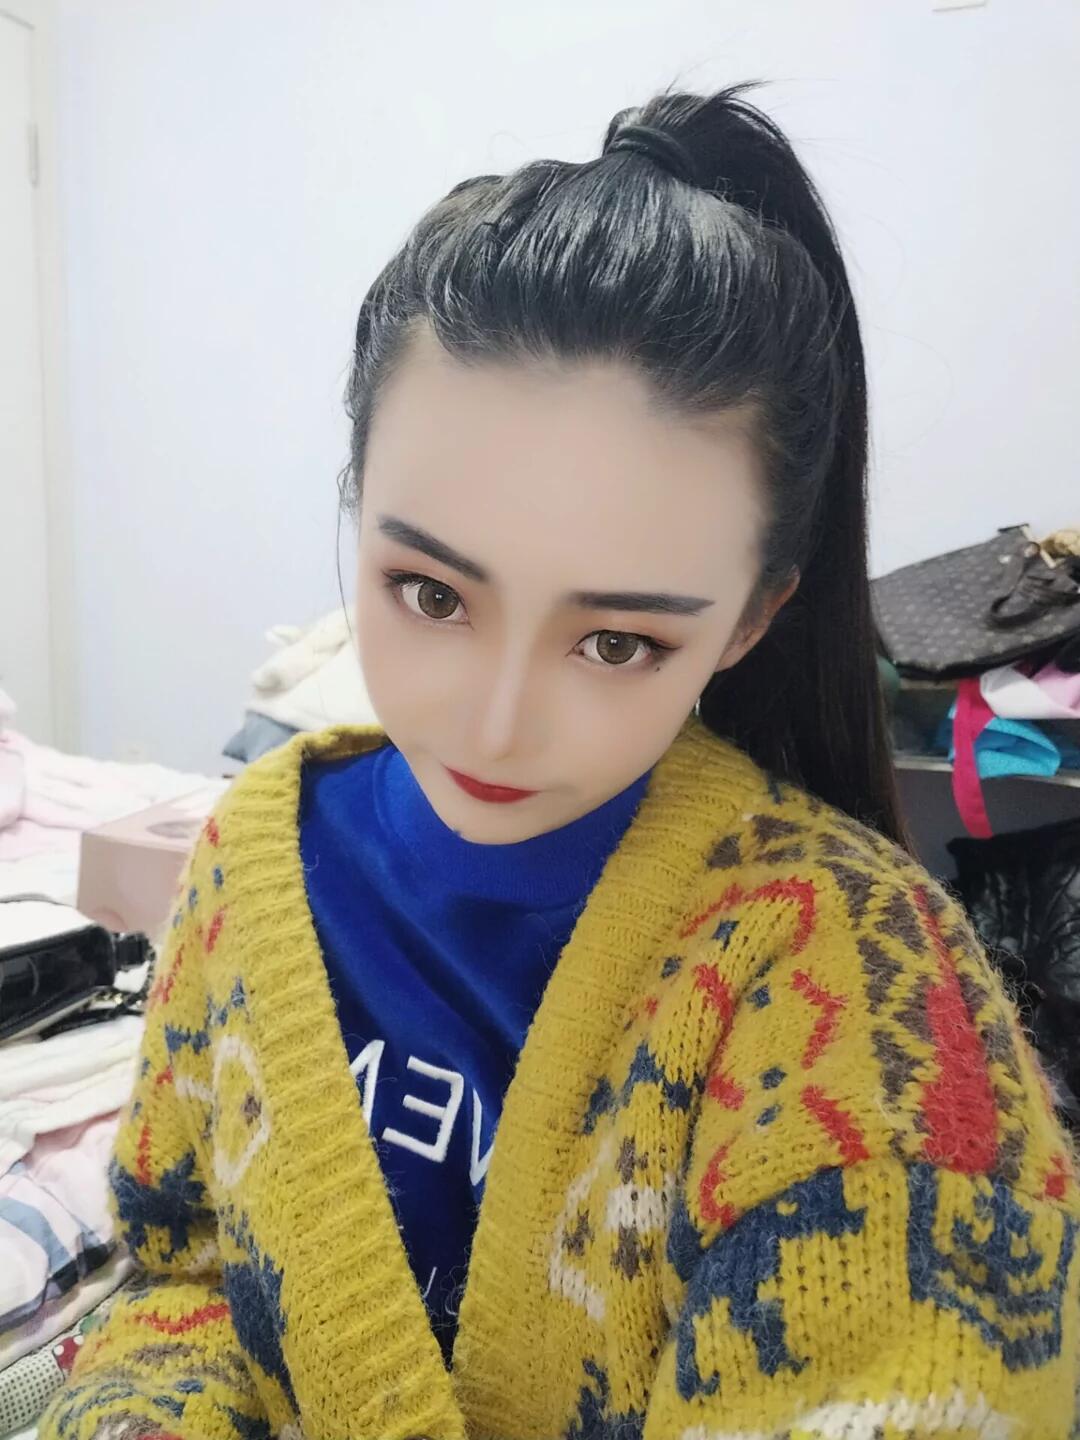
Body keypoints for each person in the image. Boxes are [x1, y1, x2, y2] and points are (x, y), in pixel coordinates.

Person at [42, 84, 1079, 1440]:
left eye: (617, 643)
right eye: (429, 594)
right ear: (358, 506)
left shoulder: (855, 976)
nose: (491, 728)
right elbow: (181, 1271)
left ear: (750, 621)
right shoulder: (252, 856)